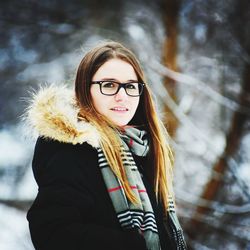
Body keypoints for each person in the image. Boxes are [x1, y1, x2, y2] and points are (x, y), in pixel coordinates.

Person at [26, 41, 186, 250]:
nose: (122, 96)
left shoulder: (144, 149)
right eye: (109, 85)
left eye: (130, 86)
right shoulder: (72, 150)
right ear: (85, 89)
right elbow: (51, 232)